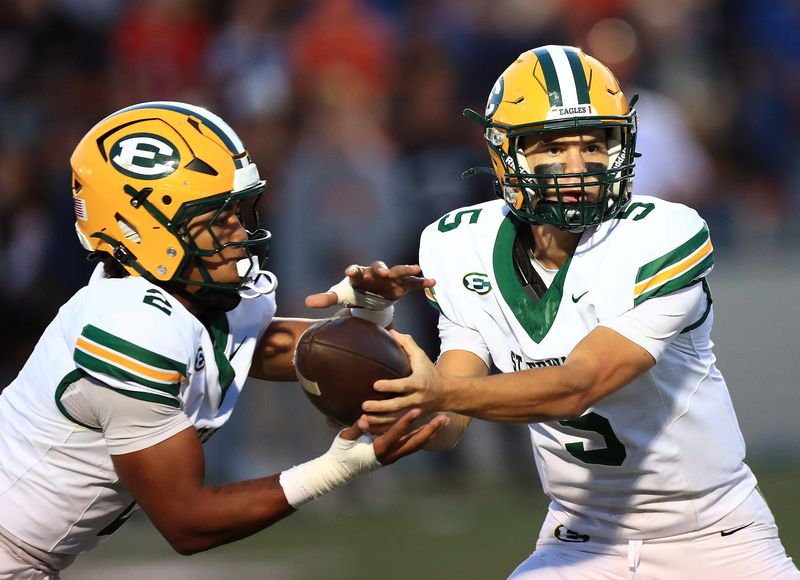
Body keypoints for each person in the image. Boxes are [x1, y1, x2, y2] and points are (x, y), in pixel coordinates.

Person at [362, 46, 800, 578]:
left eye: (594, 143)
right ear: (507, 154)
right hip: (580, 538)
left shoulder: (662, 234)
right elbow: (449, 418)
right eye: (553, 147)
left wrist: (444, 393)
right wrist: (375, 354)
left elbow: (581, 384)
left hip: (715, 537)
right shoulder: (459, 243)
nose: (579, 165)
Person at [0, 101, 448, 579]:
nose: (238, 231)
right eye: (215, 217)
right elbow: (187, 522)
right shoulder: (129, 327)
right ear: (142, 228)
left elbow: (300, 351)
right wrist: (335, 469)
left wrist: (369, 313)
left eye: (237, 209)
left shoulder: (188, 299)